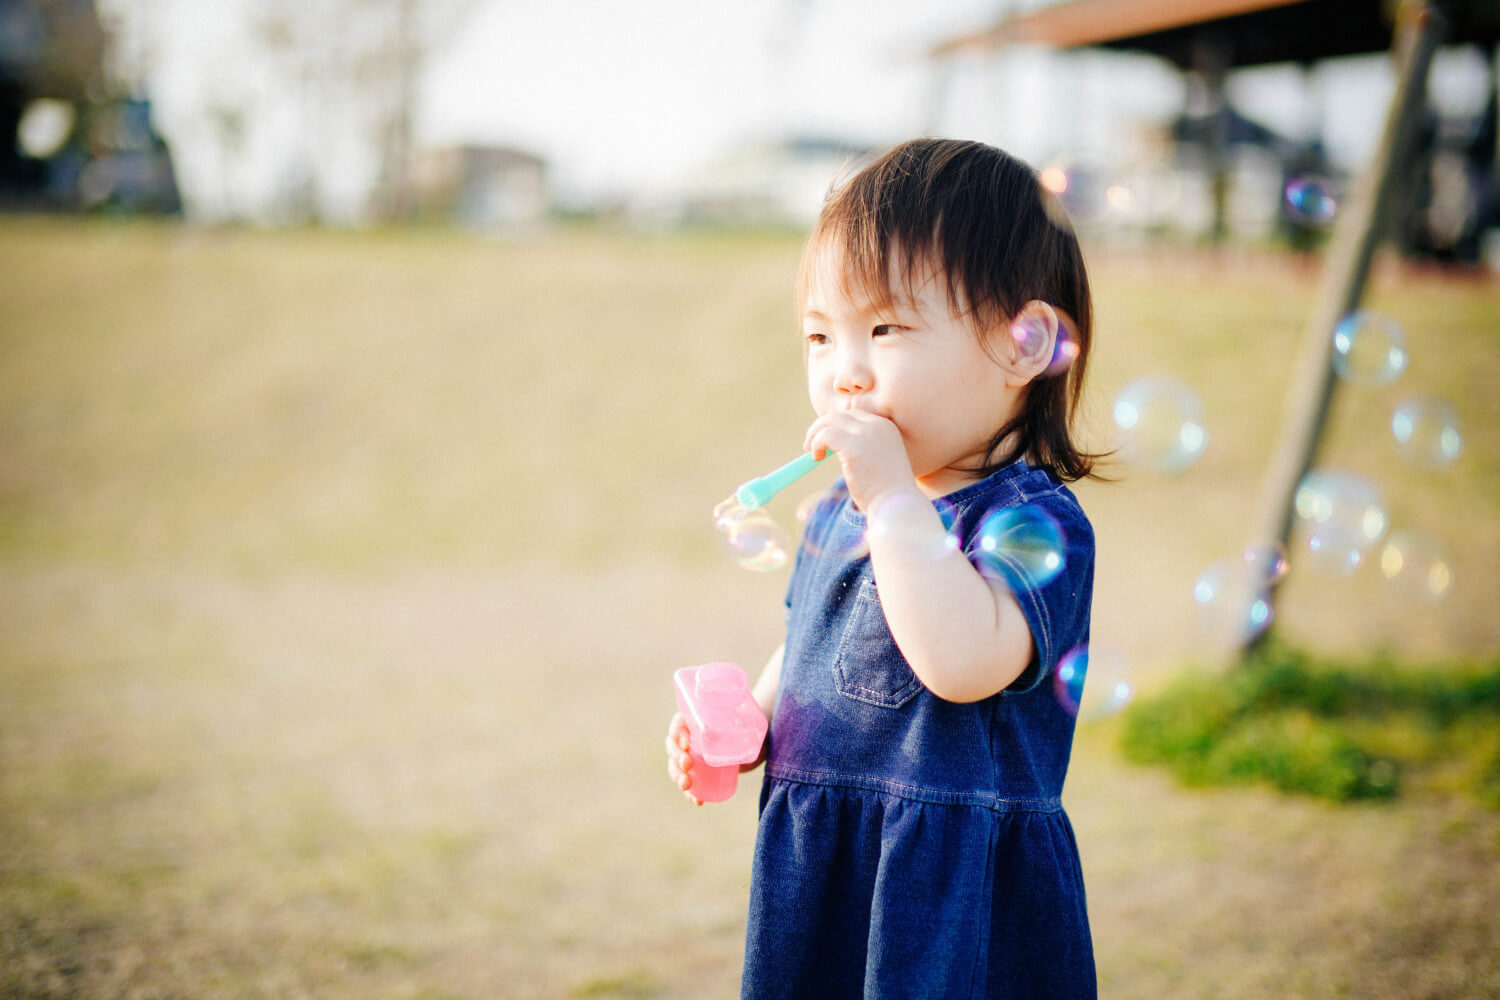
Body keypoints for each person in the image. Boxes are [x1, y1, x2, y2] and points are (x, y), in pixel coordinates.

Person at [665, 137, 1102, 999]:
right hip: (823, 864)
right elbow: (814, 647)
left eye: (885, 329)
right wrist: (742, 726)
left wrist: (898, 504)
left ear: (1024, 343)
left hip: (948, 897)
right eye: (820, 337)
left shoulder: (1032, 523)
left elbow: (961, 661)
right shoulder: (839, 511)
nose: (844, 376)